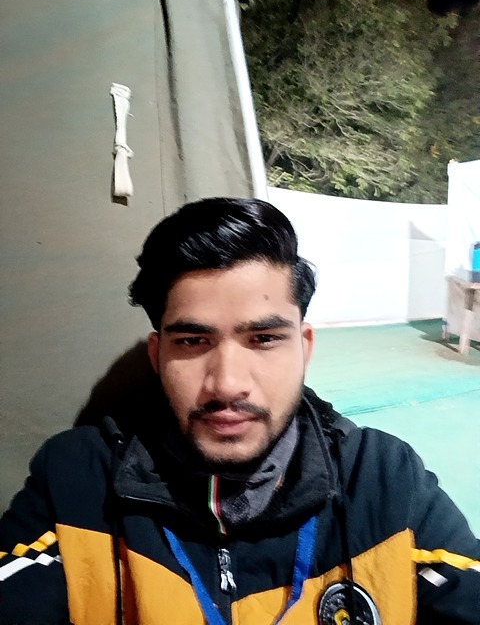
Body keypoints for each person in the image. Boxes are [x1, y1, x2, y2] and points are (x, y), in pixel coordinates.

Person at [0, 198, 478, 625]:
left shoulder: (384, 479)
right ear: (157, 356)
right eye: (193, 341)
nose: (227, 383)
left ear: (304, 348)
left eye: (264, 339)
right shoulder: (75, 480)